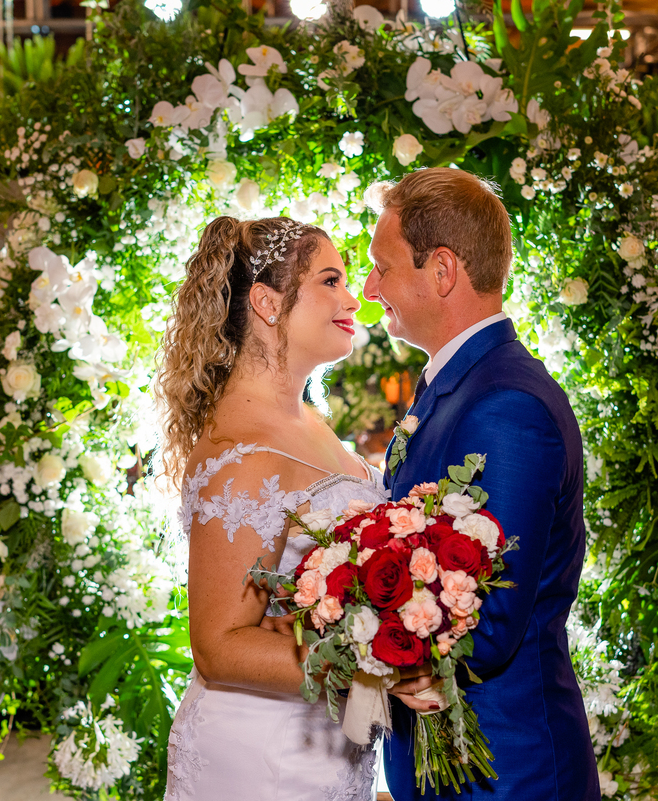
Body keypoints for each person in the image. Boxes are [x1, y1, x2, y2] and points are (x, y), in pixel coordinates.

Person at [363, 168, 601, 801]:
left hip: (502, 770)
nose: (368, 288)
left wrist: (352, 633)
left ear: (442, 271)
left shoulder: (506, 406)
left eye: (382, 268)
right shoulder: (463, 383)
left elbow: (487, 626)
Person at [157, 216, 386, 800]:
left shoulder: (307, 420)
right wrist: (374, 665)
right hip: (264, 763)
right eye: (330, 281)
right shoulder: (245, 452)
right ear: (265, 301)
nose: (352, 298)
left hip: (324, 748)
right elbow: (218, 644)